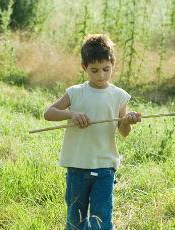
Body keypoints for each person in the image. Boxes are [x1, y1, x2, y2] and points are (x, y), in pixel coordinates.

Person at [43, 34, 141, 229]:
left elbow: (124, 132)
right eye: (94, 70)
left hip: (105, 166)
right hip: (77, 166)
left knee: (101, 217)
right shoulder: (75, 92)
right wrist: (72, 114)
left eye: (106, 69)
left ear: (113, 64)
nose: (101, 75)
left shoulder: (119, 96)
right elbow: (49, 113)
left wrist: (127, 121)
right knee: (75, 217)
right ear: (84, 67)